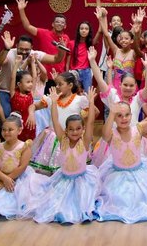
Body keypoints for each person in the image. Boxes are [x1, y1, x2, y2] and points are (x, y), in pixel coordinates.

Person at [94, 102, 147, 223]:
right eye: (119, 115)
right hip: (118, 175)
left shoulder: (138, 128)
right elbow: (104, 134)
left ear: (131, 115)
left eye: (127, 115)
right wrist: (111, 113)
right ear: (114, 118)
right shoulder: (111, 133)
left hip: (139, 171)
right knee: (120, 199)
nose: (124, 118)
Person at [32, 87, 99, 224]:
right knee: (58, 204)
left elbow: (91, 121)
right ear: (66, 131)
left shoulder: (85, 141)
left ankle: (84, 212)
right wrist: (54, 102)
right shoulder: (63, 140)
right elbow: (55, 120)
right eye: (71, 129)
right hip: (64, 179)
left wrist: (91, 102)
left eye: (78, 129)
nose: (75, 132)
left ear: (83, 129)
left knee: (82, 201)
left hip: (82, 180)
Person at [0, 31, 66, 119]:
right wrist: (6, 49)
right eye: (21, 49)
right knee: (6, 115)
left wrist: (61, 51)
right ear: (16, 46)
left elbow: (56, 59)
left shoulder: (34, 54)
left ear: (31, 48)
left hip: (23, 94)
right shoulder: (10, 53)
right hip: (5, 90)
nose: (24, 52)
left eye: (27, 50)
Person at [29, 71, 89, 174]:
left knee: (69, 167)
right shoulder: (52, 99)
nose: (57, 87)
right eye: (56, 84)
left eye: (60, 84)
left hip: (72, 138)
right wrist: (31, 114)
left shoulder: (79, 100)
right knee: (49, 170)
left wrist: (82, 124)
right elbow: (33, 105)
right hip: (52, 139)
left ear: (70, 85)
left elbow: (94, 112)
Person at [16, 0, 70, 76]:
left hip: (59, 74)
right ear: (53, 24)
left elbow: (62, 58)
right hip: (43, 74)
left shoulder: (66, 38)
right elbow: (27, 26)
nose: (59, 24)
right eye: (57, 22)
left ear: (65, 26)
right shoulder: (44, 33)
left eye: (62, 22)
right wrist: (21, 10)